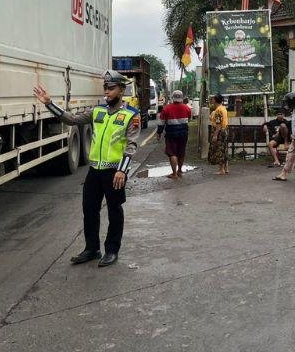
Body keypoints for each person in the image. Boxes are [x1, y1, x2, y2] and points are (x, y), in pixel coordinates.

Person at [32, 70, 140, 267]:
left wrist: (122, 171)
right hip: (94, 172)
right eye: (105, 88)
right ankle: (92, 249)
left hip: (114, 172)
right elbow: (70, 119)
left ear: (121, 90)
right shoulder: (97, 111)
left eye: (111, 88)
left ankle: (112, 250)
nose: (106, 92)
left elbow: (131, 146)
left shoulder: (131, 115)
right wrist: (49, 103)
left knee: (115, 211)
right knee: (89, 210)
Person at [156, 90, 192, 179]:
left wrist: (159, 133)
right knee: (181, 152)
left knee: (172, 153)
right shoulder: (187, 108)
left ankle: (174, 174)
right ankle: (179, 171)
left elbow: (161, 123)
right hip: (184, 134)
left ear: (173, 98)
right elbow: (189, 119)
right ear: (182, 98)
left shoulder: (166, 108)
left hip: (171, 134)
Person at [208, 93, 229, 175]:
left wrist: (215, 135)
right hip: (224, 129)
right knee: (224, 149)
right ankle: (226, 168)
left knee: (219, 150)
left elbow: (218, 124)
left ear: (215, 100)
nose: (212, 100)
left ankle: (221, 169)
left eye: (213, 99)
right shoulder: (223, 108)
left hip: (219, 131)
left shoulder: (218, 110)